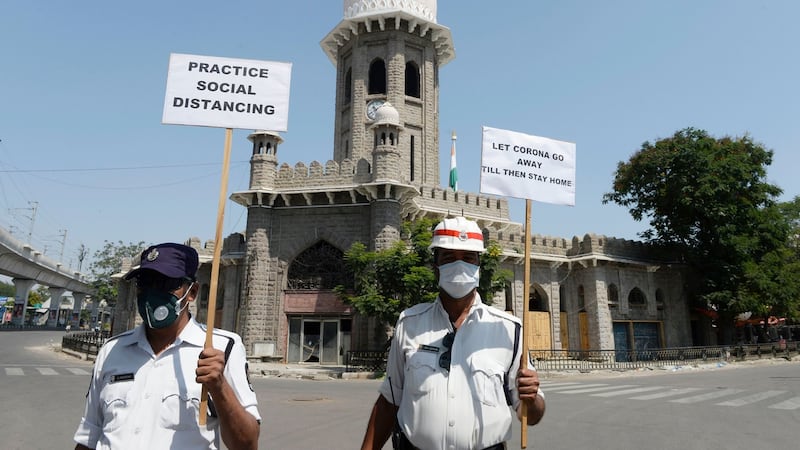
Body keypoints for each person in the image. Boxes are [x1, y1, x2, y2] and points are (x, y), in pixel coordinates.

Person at [360, 217, 546, 450]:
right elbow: (390, 400)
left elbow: (531, 414)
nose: (459, 265)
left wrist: (532, 398)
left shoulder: (509, 330)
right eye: (448, 258)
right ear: (435, 267)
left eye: (468, 258)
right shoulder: (410, 324)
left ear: (478, 265)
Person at [73, 243, 260, 450]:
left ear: (192, 292)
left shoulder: (221, 348)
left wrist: (219, 387)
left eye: (165, 283)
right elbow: (89, 436)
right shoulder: (111, 350)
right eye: (145, 283)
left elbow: (247, 444)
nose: (153, 292)